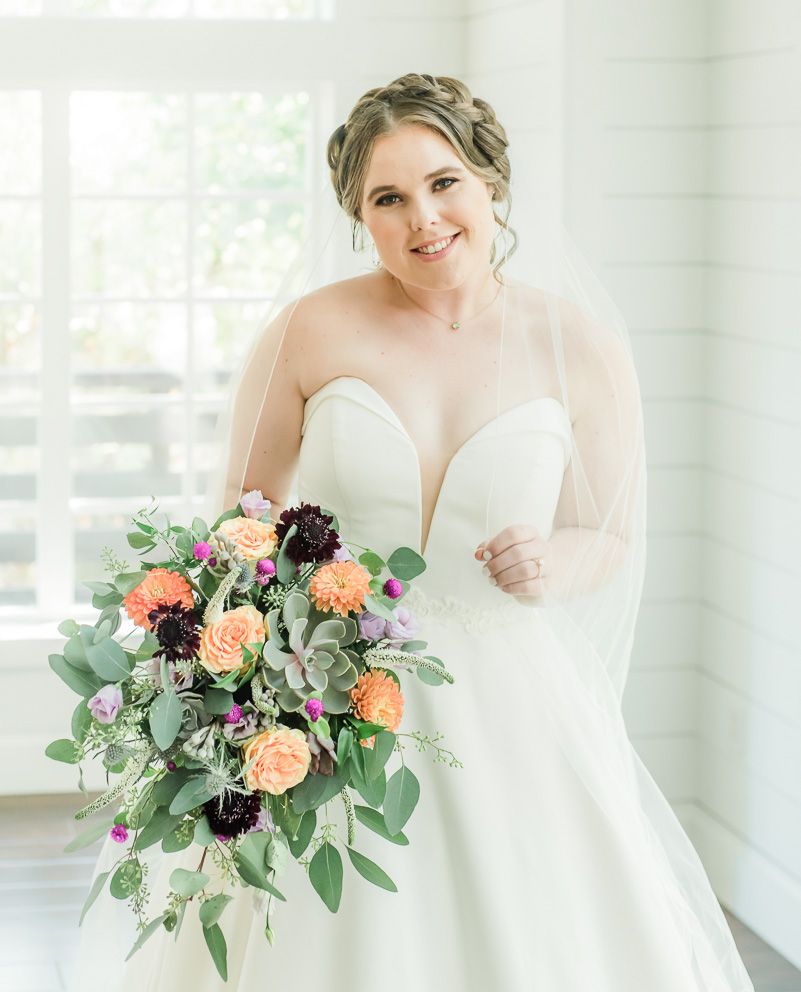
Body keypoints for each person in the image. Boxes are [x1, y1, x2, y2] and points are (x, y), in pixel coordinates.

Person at [70, 73, 755, 990]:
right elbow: (241, 524)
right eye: (386, 199)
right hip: (327, 698)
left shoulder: (579, 345)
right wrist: (252, 676)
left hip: (512, 704)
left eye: (443, 183)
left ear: (489, 184)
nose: (422, 218)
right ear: (359, 217)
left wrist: (552, 562)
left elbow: (606, 533)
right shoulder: (310, 332)